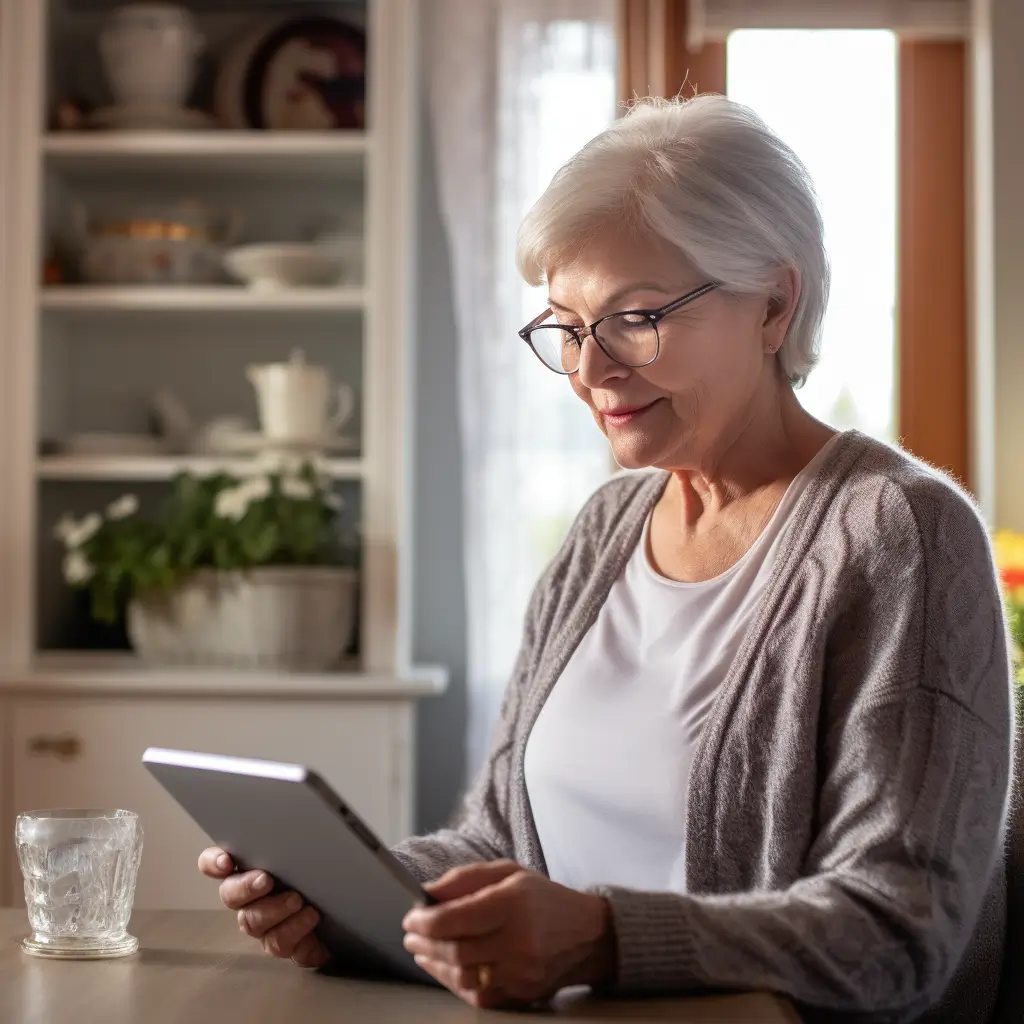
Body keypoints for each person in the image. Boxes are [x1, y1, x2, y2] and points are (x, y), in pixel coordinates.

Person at [198, 95, 1013, 1022]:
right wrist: (354, 895)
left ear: (774, 305)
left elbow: (902, 931)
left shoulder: (898, 532)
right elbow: (501, 838)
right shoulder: (604, 530)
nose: (590, 370)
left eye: (635, 317)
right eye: (568, 325)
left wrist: (601, 937)